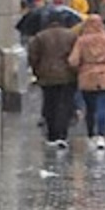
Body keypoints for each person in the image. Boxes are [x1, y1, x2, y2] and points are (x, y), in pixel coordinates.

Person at [68, 14, 105, 149]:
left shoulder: (81, 41)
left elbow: (73, 61)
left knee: (90, 108)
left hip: (86, 77)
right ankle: (101, 136)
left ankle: (91, 134)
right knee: (102, 106)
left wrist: (78, 70)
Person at [28, 13, 79, 147]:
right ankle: (62, 133)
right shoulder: (72, 36)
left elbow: (33, 56)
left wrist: (37, 71)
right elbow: (76, 56)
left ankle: (52, 134)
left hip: (46, 75)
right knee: (65, 105)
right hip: (67, 75)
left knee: (50, 104)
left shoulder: (40, 37)